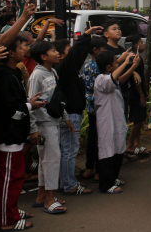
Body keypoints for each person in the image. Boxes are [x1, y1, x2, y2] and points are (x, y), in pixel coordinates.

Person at [0, 39, 43, 232]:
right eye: (21, 47)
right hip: (8, 133)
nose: (25, 49)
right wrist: (29, 106)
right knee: (10, 177)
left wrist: (28, 101)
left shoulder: (12, 73)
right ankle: (7, 220)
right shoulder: (4, 77)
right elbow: (7, 109)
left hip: (13, 133)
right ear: (10, 53)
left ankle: (10, 211)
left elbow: (13, 101)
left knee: (14, 176)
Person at [54, 26, 101, 196]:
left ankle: (65, 181)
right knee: (69, 151)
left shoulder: (68, 69)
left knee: (66, 150)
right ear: (61, 55)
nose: (74, 54)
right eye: (68, 50)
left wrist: (86, 39)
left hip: (71, 113)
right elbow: (76, 53)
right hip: (70, 114)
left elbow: (78, 55)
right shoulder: (64, 68)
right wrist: (86, 35)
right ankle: (69, 185)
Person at [27, 41, 72, 215]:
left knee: (46, 161)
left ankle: (41, 196)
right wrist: (33, 129)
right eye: (53, 50)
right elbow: (31, 102)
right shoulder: (37, 75)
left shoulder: (52, 71)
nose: (57, 53)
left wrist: (65, 117)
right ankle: (49, 199)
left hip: (53, 121)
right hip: (43, 124)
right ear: (44, 57)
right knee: (51, 160)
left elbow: (57, 97)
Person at [94, 50, 140, 193]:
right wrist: (126, 62)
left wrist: (132, 67)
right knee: (108, 151)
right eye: (116, 62)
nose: (118, 63)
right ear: (108, 67)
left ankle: (113, 178)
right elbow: (114, 80)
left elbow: (120, 79)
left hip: (116, 120)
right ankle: (105, 184)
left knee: (118, 148)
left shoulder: (109, 77)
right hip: (107, 122)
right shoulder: (101, 79)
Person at [79, 37, 109, 182]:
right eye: (103, 49)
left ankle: (89, 168)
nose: (106, 52)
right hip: (100, 107)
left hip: (91, 107)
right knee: (100, 139)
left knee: (93, 137)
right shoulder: (99, 66)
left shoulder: (86, 65)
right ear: (96, 50)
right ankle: (98, 170)